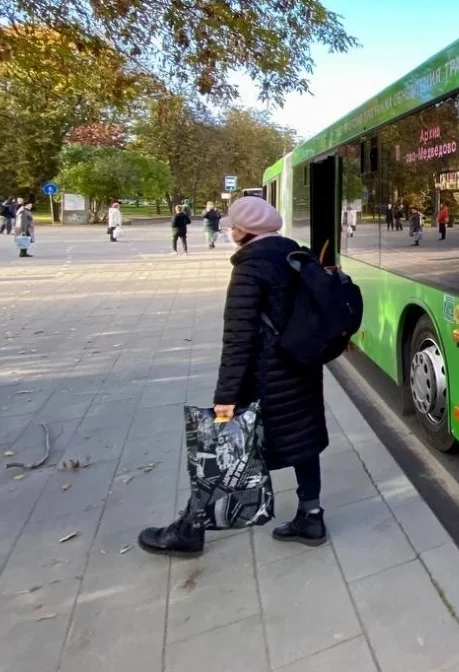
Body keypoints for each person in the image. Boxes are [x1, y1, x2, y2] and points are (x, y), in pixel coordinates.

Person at [138, 196, 329, 555]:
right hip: (302, 368)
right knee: (303, 439)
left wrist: (225, 398)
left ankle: (190, 529)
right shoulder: (296, 256)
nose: (230, 231)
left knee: (221, 446)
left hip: (263, 376)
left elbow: (238, 340)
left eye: (234, 227)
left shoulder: (250, 269)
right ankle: (311, 515)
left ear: (245, 231)